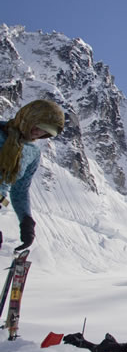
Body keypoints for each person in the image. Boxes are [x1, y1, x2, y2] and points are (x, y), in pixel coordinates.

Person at [0, 99, 65, 251]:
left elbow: (20, 190)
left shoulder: (32, 153)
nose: (38, 132)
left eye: (46, 131)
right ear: (28, 117)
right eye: (38, 125)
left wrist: (26, 221)